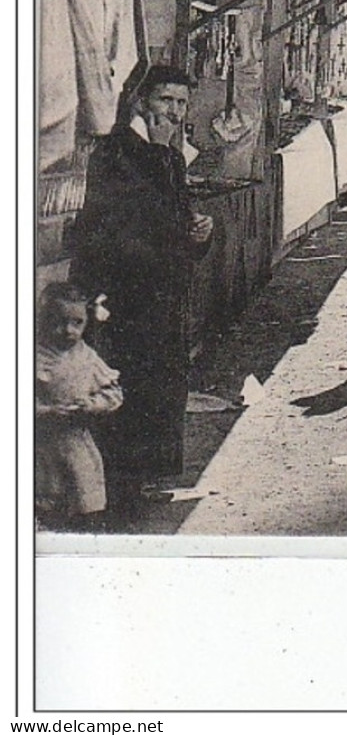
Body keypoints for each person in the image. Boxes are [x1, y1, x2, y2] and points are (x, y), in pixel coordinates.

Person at [68, 65, 213, 514]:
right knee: (126, 385)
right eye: (166, 101)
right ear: (142, 102)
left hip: (163, 293)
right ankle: (119, 489)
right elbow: (105, 228)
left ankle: (144, 481)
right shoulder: (115, 153)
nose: (174, 111)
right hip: (123, 294)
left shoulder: (170, 157)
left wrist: (201, 233)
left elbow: (179, 218)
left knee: (161, 386)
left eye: (182, 104)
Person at [35, 283, 123, 531]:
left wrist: (93, 405)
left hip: (77, 442)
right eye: (58, 322)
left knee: (85, 498)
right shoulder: (32, 357)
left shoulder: (87, 357)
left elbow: (113, 392)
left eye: (77, 323)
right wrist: (45, 411)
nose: (68, 331)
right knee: (48, 504)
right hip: (42, 445)